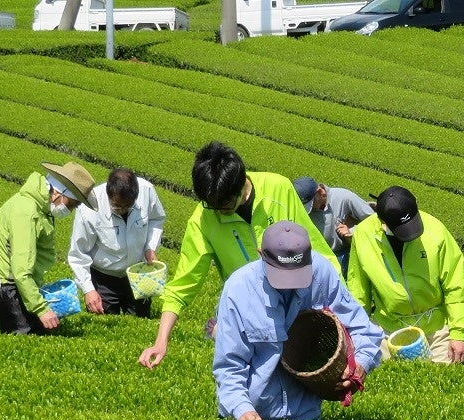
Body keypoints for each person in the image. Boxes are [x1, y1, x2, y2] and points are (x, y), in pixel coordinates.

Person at [138, 141, 339, 369]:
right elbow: (183, 285)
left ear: (241, 185)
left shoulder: (278, 189)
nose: (218, 211)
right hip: (252, 318)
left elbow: (315, 248)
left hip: (298, 309)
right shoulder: (203, 219)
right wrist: (161, 342)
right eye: (210, 205)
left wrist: (340, 304)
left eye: (224, 204)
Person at [213, 221, 382, 420]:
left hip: (307, 417)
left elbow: (363, 328)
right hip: (252, 417)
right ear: (261, 254)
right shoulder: (237, 290)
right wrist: (242, 409)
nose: (289, 285)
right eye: (281, 275)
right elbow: (229, 365)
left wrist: (361, 364)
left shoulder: (321, 272)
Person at [347, 186, 464, 364]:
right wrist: (357, 334)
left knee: (445, 373)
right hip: (389, 330)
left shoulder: (436, 230)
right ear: (382, 221)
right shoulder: (363, 235)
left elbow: (456, 284)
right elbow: (358, 289)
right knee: (369, 370)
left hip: (435, 330)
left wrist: (459, 333)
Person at [0, 160, 97, 336]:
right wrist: (41, 309)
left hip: (23, 289)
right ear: (58, 193)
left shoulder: (41, 209)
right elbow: (21, 271)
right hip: (11, 292)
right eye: (72, 204)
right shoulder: (26, 212)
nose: (71, 210)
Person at [68, 167, 166, 318]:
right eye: (118, 206)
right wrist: (89, 290)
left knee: (140, 318)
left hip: (137, 273)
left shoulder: (146, 191)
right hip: (103, 277)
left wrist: (150, 247)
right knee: (103, 323)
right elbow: (79, 254)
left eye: (129, 206)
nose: (123, 210)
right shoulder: (89, 208)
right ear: (108, 194)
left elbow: (156, 219)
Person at [293, 177, 374, 274]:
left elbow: (374, 221)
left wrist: (352, 231)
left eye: (311, 204)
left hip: (343, 253)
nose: (310, 210)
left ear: (320, 192)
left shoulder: (344, 198)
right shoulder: (301, 208)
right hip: (315, 255)